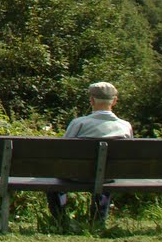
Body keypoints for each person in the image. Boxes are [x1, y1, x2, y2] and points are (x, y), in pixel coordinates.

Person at [47, 81, 133, 224]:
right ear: (115, 101)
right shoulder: (125, 126)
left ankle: (61, 221)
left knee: (53, 181)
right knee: (105, 174)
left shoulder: (79, 123)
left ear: (91, 100)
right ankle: (98, 221)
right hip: (108, 176)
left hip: (76, 175)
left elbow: (62, 151)